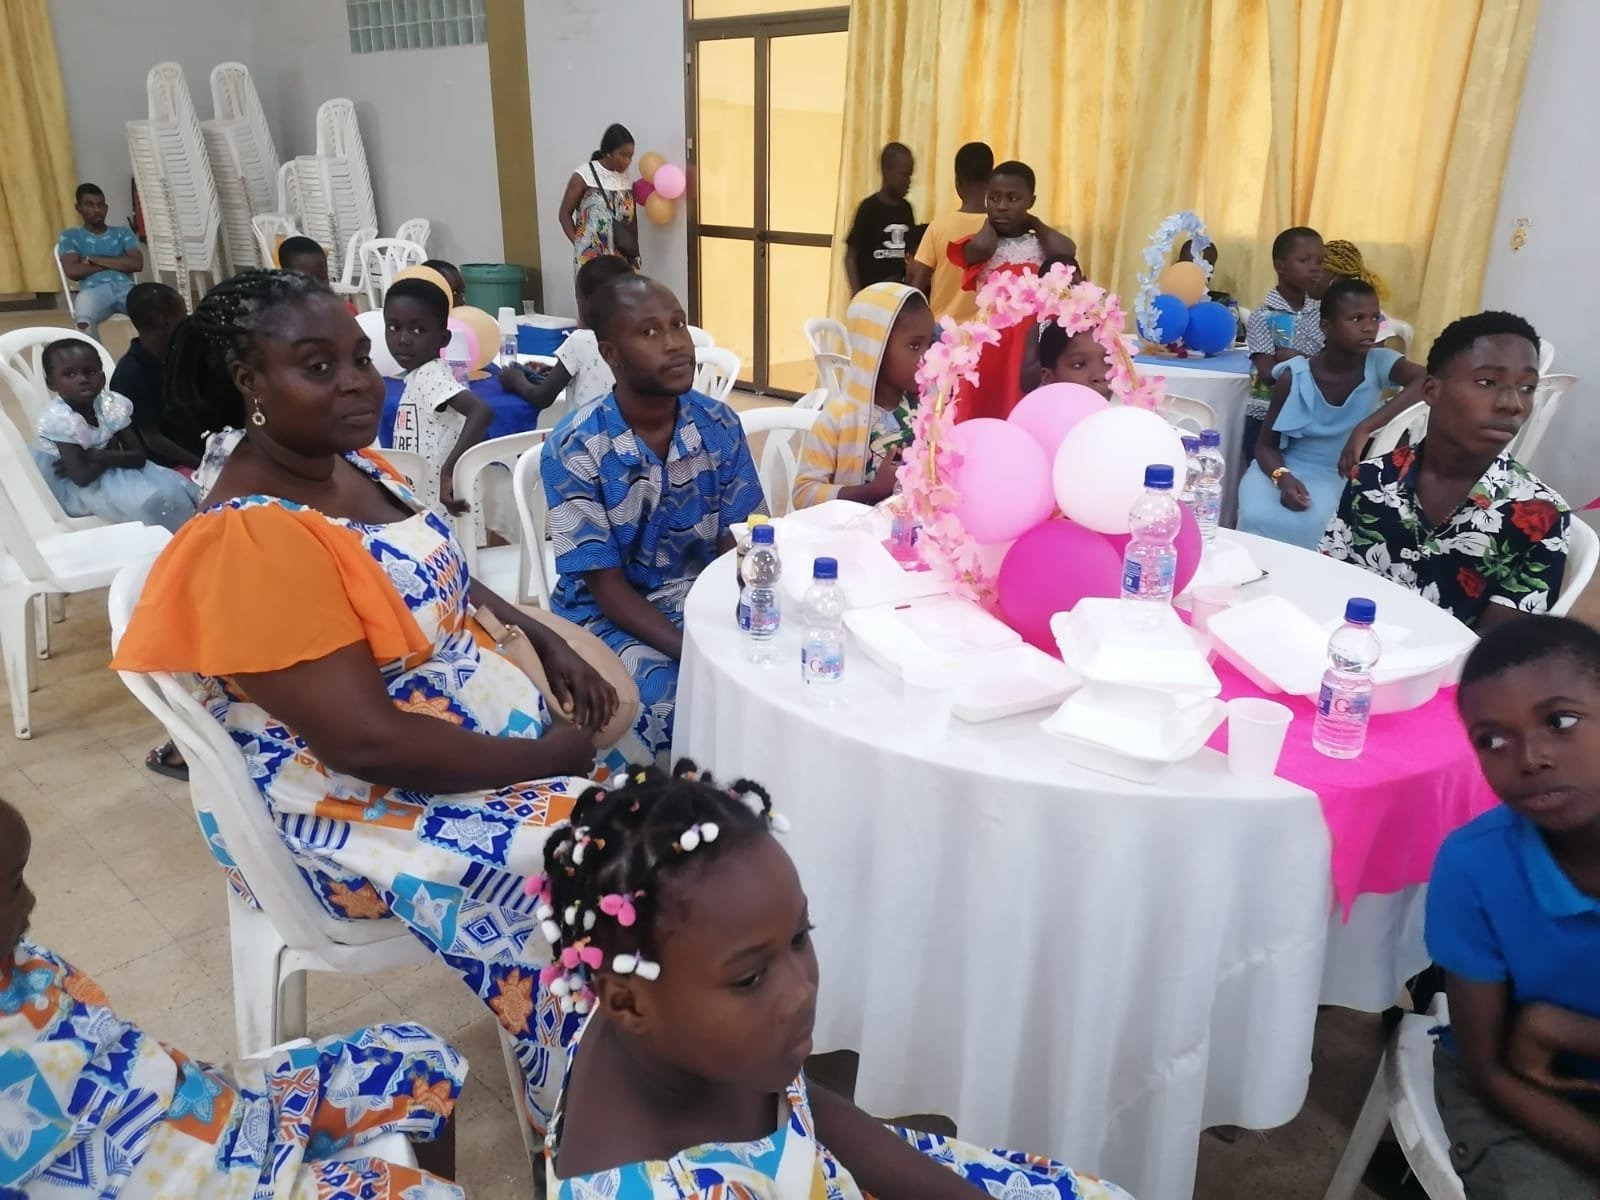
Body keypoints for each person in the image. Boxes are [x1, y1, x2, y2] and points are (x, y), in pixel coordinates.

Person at [112, 268, 646, 1134]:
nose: (358, 380)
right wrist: (550, 755)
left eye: (358, 357)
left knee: (651, 838)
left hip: (455, 749)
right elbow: (368, 744)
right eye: (316, 367)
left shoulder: (350, 458)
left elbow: (446, 570)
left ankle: (645, 1047)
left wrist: (540, 638)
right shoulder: (255, 537)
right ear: (250, 384)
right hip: (355, 806)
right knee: (619, 863)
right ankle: (602, 1107)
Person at [533, 761, 1134, 1199]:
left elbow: (807, 1109)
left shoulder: (690, 1031)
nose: (800, 991)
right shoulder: (649, 1185)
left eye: (800, 936)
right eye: (749, 978)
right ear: (627, 1002)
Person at [0, 795, 467, 1199]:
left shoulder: (24, 962)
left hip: (203, 1111)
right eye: (14, 887)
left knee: (423, 1059)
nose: (32, 902)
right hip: (176, 1185)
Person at [541, 275, 768, 762]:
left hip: (699, 595)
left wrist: (749, 617)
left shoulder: (718, 423)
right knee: (678, 700)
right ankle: (684, 815)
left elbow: (741, 541)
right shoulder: (575, 447)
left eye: (678, 324)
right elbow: (607, 589)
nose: (675, 344)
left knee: (780, 668)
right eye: (648, 332)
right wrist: (699, 654)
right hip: (606, 615)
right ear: (610, 354)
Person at [1426, 616, 1600, 1197]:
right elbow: (1490, 1073)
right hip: (1525, 1096)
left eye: (1561, 722)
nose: (1529, 758)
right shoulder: (1474, 866)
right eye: (1492, 741)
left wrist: (1561, 1029)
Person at [1320, 311, 1570, 632]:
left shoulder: (1540, 517)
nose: (1512, 403)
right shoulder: (1370, 481)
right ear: (1431, 391)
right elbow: (1327, 582)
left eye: (1527, 387)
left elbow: (1497, 656)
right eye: (1487, 382)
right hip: (1350, 659)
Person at [1236, 278, 1425, 549]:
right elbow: (1265, 447)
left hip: (1336, 474)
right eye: (1356, 318)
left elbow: (1428, 380)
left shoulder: (1379, 363)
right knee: (1256, 514)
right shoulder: (1295, 376)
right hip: (1282, 467)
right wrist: (1283, 478)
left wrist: (1366, 427)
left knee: (1318, 523)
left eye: (1375, 317)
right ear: (1327, 327)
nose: (1369, 327)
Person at [950, 161, 1075, 422]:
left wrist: (1035, 223)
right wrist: (990, 223)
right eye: (993, 198)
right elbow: (980, 249)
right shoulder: (982, 244)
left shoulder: (1040, 244)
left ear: (1031, 200)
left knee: (1022, 405)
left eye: (1013, 198)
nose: (1001, 206)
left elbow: (1067, 251)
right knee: (987, 406)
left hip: (1031, 344)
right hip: (991, 345)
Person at [31, 338, 197, 533]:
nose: (82, 379)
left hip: (113, 470)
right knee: (150, 501)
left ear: (102, 377)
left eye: (90, 371)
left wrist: (95, 454)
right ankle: (167, 545)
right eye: (70, 374)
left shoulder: (111, 405)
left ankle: (191, 537)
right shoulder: (60, 420)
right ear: (52, 383)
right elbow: (82, 477)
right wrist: (112, 451)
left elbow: (138, 457)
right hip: (80, 488)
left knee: (179, 488)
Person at [793, 282, 932, 509]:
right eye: (914, 346)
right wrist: (872, 490)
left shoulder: (925, 410)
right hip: (849, 540)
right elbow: (803, 495)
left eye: (930, 344)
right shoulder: (836, 419)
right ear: (874, 349)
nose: (926, 357)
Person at [384, 277, 495, 515]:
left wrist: (449, 471)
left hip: (441, 506)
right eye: (393, 327)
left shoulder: (430, 375)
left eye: (417, 330)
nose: (402, 339)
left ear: (443, 339)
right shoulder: (417, 375)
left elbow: (481, 411)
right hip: (427, 502)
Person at [500, 254, 633, 418]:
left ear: (585, 303)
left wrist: (515, 379)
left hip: (586, 438)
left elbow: (542, 397)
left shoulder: (580, 340)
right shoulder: (637, 339)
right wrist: (557, 371)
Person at [1243, 226, 1325, 456]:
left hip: (1309, 416)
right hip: (1267, 416)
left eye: (1319, 261)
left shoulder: (1323, 314)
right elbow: (1268, 374)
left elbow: (1331, 367)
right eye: (1304, 260)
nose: (1315, 268)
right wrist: (1313, 363)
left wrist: (1294, 357)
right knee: (1261, 475)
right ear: (1280, 266)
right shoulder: (1263, 315)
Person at [109, 282, 200, 470]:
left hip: (193, 445)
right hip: (164, 464)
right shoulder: (131, 373)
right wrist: (202, 465)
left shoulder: (176, 354)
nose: (188, 321)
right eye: (183, 315)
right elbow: (153, 440)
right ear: (165, 320)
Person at [906, 141, 993, 327]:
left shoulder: (938, 227)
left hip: (943, 333)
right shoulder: (998, 226)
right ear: (991, 182)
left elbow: (917, 286)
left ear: (957, 182)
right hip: (986, 332)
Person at [57, 183, 143, 341]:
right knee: (83, 321)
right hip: (93, 291)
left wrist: (93, 260)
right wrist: (118, 262)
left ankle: (156, 361)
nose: (97, 210)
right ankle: (95, 364)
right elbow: (73, 271)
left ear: (106, 207)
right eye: (89, 205)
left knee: (154, 311)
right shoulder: (70, 236)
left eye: (100, 205)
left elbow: (137, 264)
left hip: (126, 289)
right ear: (79, 208)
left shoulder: (122, 232)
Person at [558, 123, 640, 273]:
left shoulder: (627, 179)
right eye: (623, 155)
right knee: (595, 296)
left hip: (620, 259)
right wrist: (579, 244)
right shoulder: (584, 175)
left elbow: (632, 221)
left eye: (630, 156)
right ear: (608, 152)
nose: (628, 161)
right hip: (591, 260)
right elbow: (564, 214)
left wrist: (634, 257)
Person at [844, 142, 916, 292]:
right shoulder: (869, 208)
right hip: (872, 293)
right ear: (887, 171)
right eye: (904, 175)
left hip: (898, 294)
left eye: (910, 175)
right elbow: (851, 256)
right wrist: (857, 294)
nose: (908, 181)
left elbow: (911, 252)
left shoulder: (906, 210)